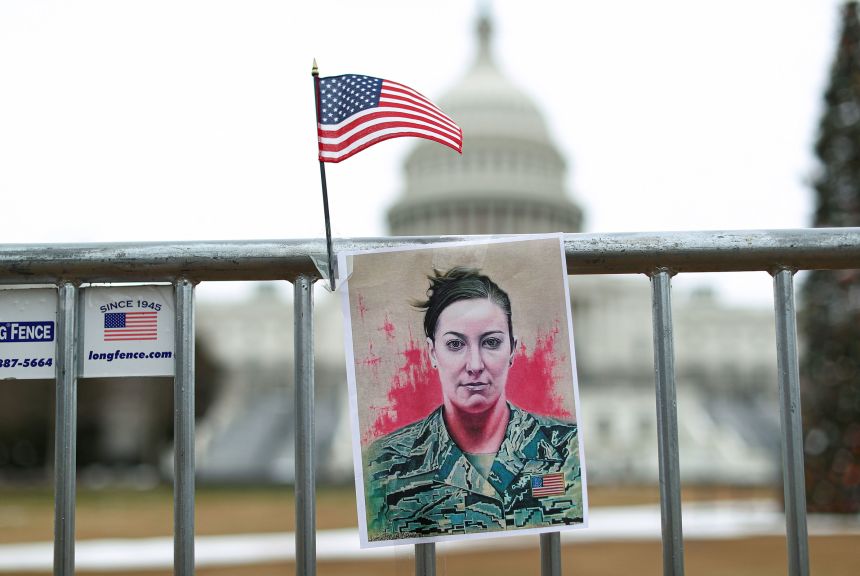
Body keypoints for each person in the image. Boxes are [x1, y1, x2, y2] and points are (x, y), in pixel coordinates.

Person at [363, 267, 582, 541]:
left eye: (491, 342)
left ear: (513, 350)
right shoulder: (383, 462)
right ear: (432, 353)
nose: (475, 365)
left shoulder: (569, 449)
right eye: (455, 344)